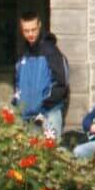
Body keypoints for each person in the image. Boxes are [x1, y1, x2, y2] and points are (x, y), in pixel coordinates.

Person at [13, 13, 69, 141]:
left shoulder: (51, 51)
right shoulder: (22, 53)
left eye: (33, 30)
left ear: (39, 26)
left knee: (51, 152)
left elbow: (62, 83)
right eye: (26, 31)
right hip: (27, 117)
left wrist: (45, 105)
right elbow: (16, 82)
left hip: (49, 114)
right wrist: (17, 104)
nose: (30, 34)